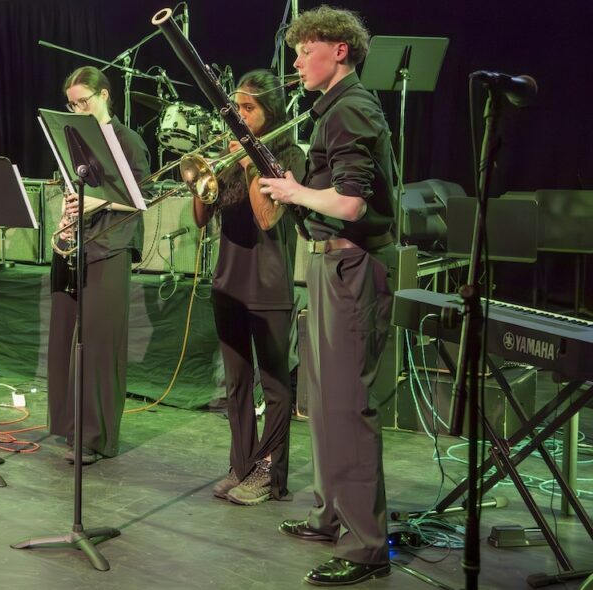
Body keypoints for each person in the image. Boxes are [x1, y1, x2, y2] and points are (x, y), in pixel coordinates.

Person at [259, 5, 397, 586]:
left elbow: (351, 204)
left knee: (347, 406)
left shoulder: (354, 109)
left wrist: (292, 190)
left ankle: (366, 545)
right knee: (320, 400)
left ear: (339, 50)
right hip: (326, 266)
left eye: (305, 48)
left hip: (352, 267)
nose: (296, 60)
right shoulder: (331, 110)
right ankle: (329, 512)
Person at [194, 70, 305, 506]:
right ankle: (241, 465)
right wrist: (200, 181)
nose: (238, 117)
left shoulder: (288, 153)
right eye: (236, 109)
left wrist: (247, 161)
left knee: (275, 386)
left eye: (248, 109)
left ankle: (269, 474)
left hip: (269, 286)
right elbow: (202, 219)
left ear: (269, 112)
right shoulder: (229, 154)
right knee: (237, 384)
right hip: (228, 282)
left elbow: (266, 218)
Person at [47, 66, 149, 465]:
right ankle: (68, 426)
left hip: (111, 245)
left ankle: (95, 437)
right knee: (64, 340)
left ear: (105, 96)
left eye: (83, 102)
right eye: (71, 104)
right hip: (79, 246)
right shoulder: (76, 141)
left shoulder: (128, 141)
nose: (77, 109)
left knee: (100, 345)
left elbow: (141, 198)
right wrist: (68, 215)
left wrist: (96, 203)